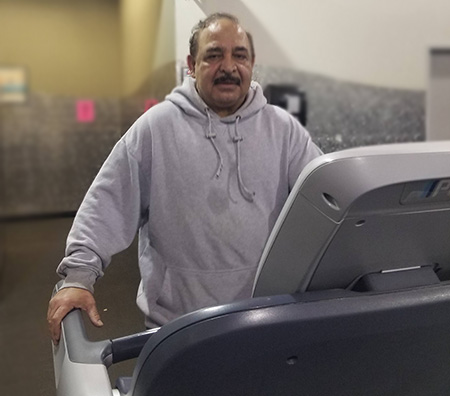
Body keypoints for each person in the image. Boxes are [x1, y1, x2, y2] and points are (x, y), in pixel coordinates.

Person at [47, 12, 322, 344]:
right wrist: (78, 277)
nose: (229, 67)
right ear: (192, 65)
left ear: (252, 63)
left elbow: (325, 200)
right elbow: (107, 204)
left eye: (240, 55)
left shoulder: (284, 130)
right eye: (214, 55)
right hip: (177, 327)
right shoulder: (155, 129)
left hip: (263, 317)